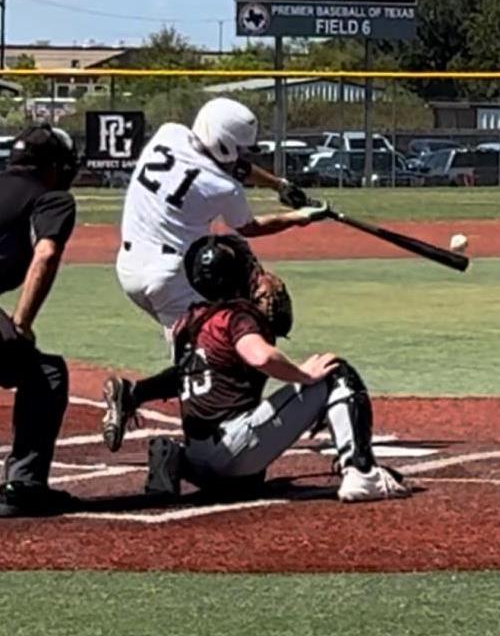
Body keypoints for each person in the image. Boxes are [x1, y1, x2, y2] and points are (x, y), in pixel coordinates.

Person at [102, 235, 411, 503]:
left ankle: (178, 458)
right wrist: (304, 376)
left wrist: (139, 392)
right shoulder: (237, 316)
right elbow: (260, 357)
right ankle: (362, 472)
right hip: (233, 448)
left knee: (250, 480)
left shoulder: (189, 322)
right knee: (335, 372)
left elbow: (187, 376)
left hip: (202, 454)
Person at [115, 96, 328, 343]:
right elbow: (249, 228)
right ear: (224, 143)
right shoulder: (224, 187)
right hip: (168, 276)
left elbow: (231, 164)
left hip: (128, 267)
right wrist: (297, 217)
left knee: (189, 346)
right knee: (211, 353)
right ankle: (139, 385)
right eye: (239, 147)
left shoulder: (168, 133)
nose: (242, 153)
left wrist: (279, 185)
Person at [0, 123, 79, 517]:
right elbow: (45, 254)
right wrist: (21, 324)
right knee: (44, 374)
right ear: (52, 166)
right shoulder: (53, 198)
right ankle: (24, 486)